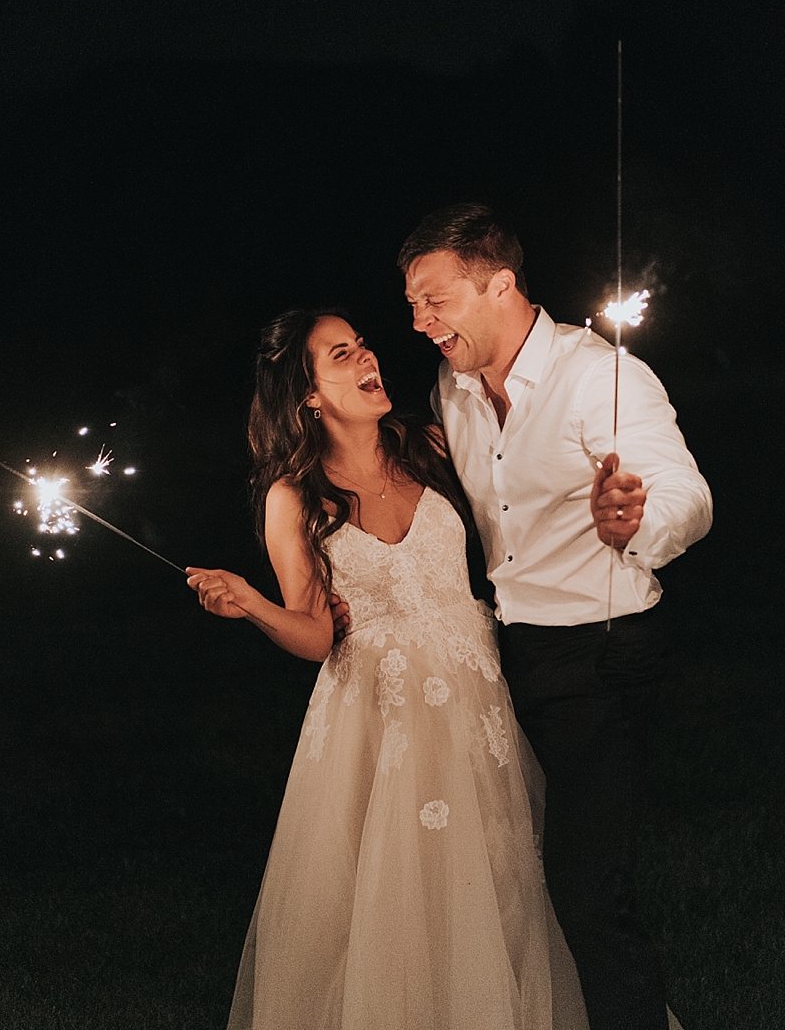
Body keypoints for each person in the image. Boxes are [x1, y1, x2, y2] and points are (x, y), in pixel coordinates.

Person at [187, 307, 590, 1030]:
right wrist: (250, 603)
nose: (367, 357)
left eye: (363, 344)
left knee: (498, 877)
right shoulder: (295, 496)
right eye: (341, 355)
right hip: (381, 720)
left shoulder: (427, 447)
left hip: (477, 702)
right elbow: (314, 633)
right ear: (308, 394)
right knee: (397, 891)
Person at [391, 202, 712, 1030]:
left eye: (436, 300)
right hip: (510, 658)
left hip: (605, 661)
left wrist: (637, 521)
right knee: (509, 875)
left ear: (501, 285)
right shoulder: (453, 389)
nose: (420, 321)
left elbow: (687, 495)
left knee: (586, 892)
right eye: (413, 305)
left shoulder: (597, 376)